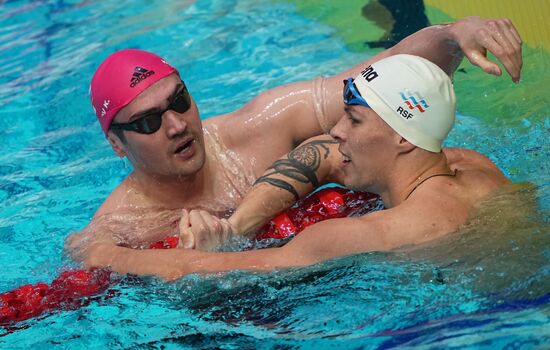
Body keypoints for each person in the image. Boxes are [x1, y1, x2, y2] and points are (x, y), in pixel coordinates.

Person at [67, 17, 523, 257]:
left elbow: (376, 85)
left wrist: (452, 36)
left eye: (180, 99)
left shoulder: (260, 125)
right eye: (148, 122)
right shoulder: (120, 227)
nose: (177, 125)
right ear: (116, 144)